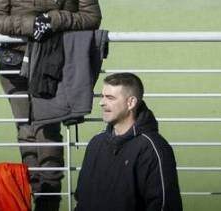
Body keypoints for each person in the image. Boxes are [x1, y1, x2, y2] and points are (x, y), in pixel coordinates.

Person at [0, 0, 102, 211]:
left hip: (52, 64)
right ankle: (34, 190)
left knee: (46, 127)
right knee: (26, 128)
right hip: (15, 63)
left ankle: (48, 196)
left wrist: (54, 21)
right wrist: (30, 25)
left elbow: (91, 17)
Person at [74, 73, 183, 211]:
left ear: (131, 102)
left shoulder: (153, 148)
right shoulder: (96, 144)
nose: (101, 103)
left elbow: (164, 205)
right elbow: (82, 199)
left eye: (110, 98)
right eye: (102, 96)